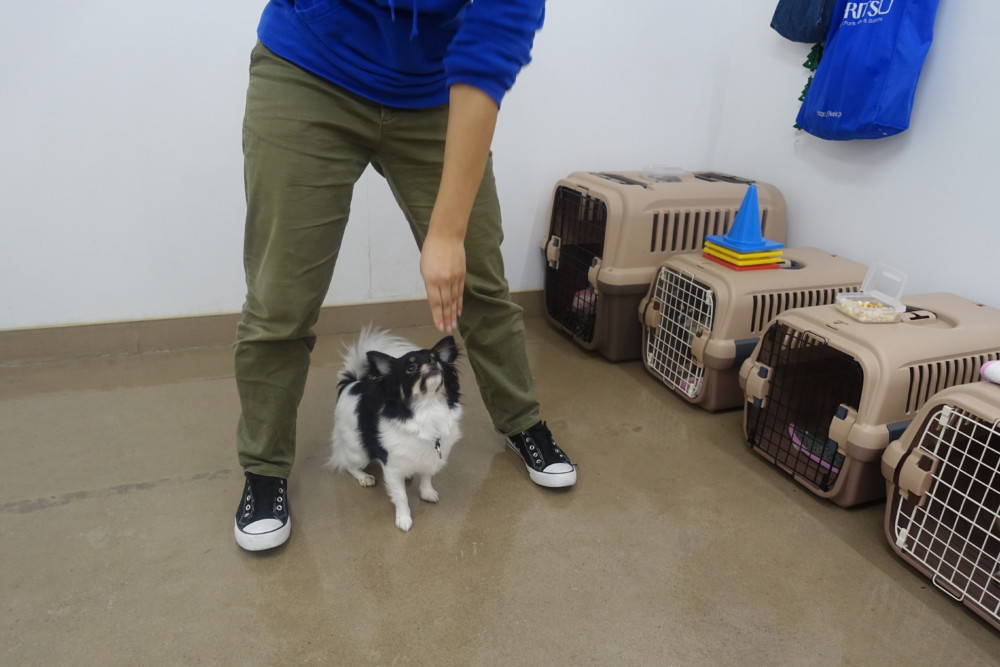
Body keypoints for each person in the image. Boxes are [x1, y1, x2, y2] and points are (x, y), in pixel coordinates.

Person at [233, 0, 577, 552]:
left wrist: (447, 233)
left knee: (481, 283)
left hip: (434, 87)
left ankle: (522, 423)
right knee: (280, 299)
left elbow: (495, 38)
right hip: (310, 67)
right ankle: (264, 470)